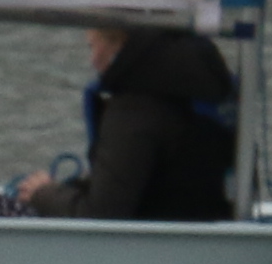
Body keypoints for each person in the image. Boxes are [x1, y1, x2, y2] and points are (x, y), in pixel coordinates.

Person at [15, 24, 243, 223]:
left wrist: (42, 194)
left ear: (118, 45)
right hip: (206, 228)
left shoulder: (134, 111)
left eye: (93, 46)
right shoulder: (201, 93)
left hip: (154, 248)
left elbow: (100, 215)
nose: (93, 61)